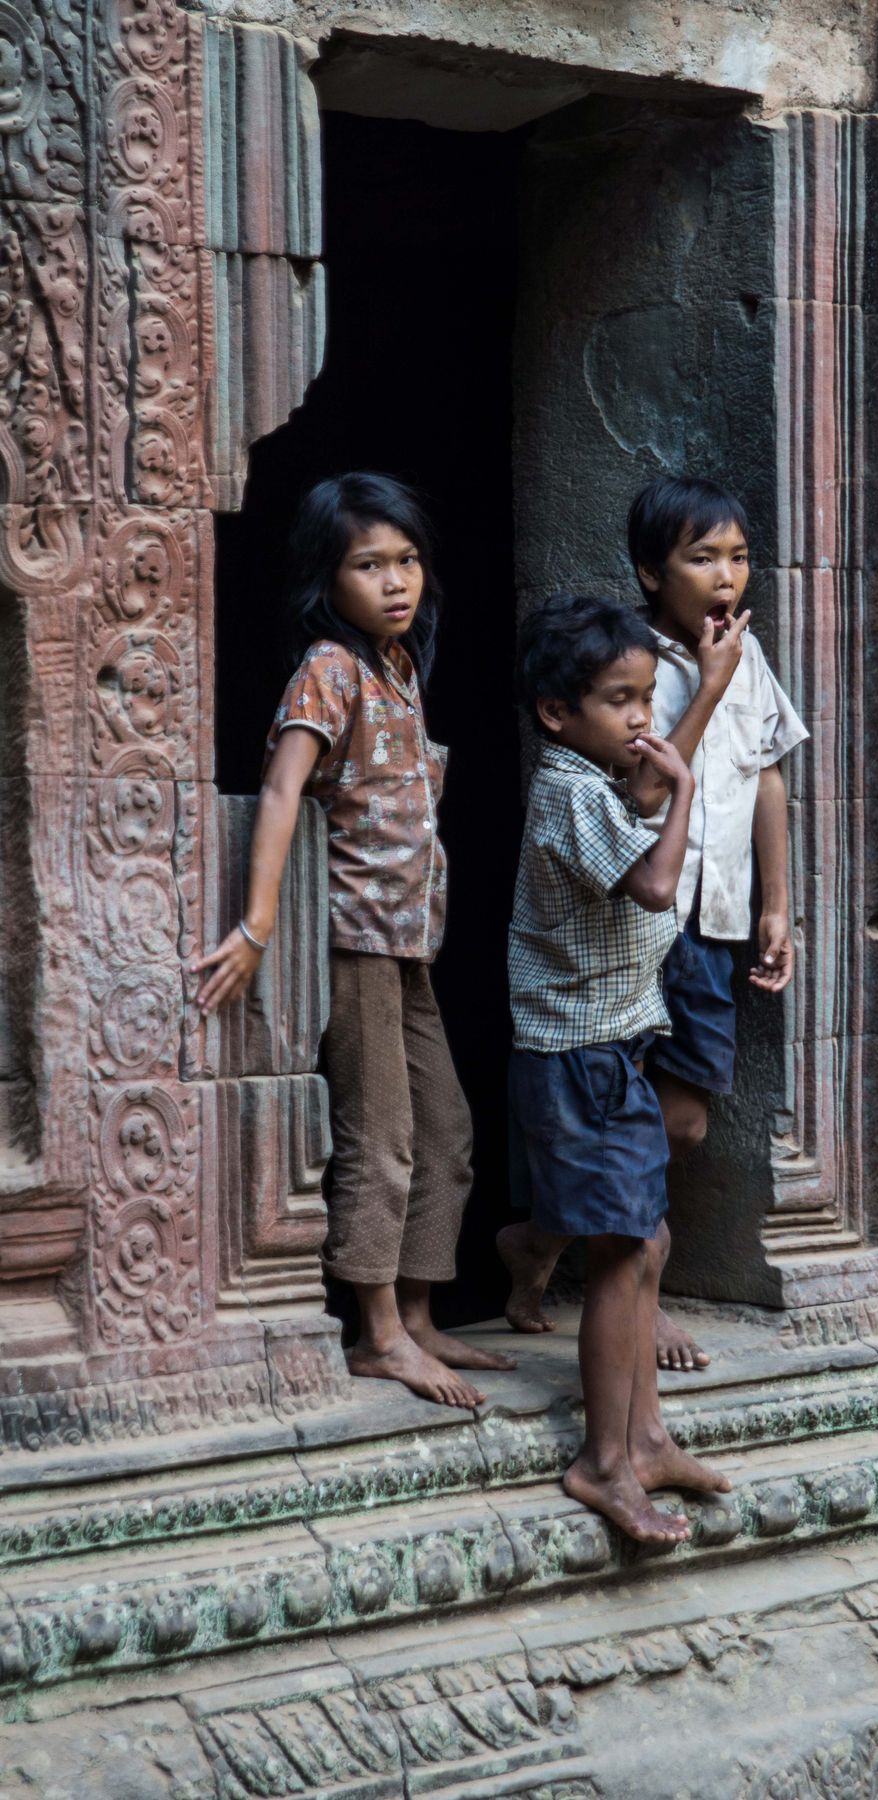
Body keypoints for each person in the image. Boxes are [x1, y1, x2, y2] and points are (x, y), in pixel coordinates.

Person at [193, 472, 514, 1409]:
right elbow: (286, 788)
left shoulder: (399, 667)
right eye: (368, 565)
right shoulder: (331, 669)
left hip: (409, 942)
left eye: (407, 560)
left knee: (446, 1130)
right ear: (325, 582)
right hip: (357, 940)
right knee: (382, 1138)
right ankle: (376, 1334)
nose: (395, 581)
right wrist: (255, 926)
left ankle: (416, 1315)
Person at [500, 477, 807, 1368]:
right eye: (701, 556)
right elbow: (642, 792)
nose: (726, 576)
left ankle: (543, 1242)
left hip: (711, 920)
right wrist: (703, 686)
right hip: (639, 925)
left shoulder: (745, 658)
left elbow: (767, 777)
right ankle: (644, 1290)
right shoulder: (635, 669)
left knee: (680, 1125)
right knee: (629, 1116)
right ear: (649, 570)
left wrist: (775, 906)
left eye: (739, 557)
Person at [507, 593, 732, 1543]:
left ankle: (646, 1439)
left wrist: (688, 718)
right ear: (560, 714)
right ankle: (604, 1462)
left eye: (646, 697)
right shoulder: (563, 788)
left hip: (612, 1044)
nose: (641, 718)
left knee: (649, 1243)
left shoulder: (592, 779)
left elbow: (631, 807)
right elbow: (649, 881)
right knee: (621, 1251)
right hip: (579, 1053)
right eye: (620, 700)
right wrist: (683, 790)